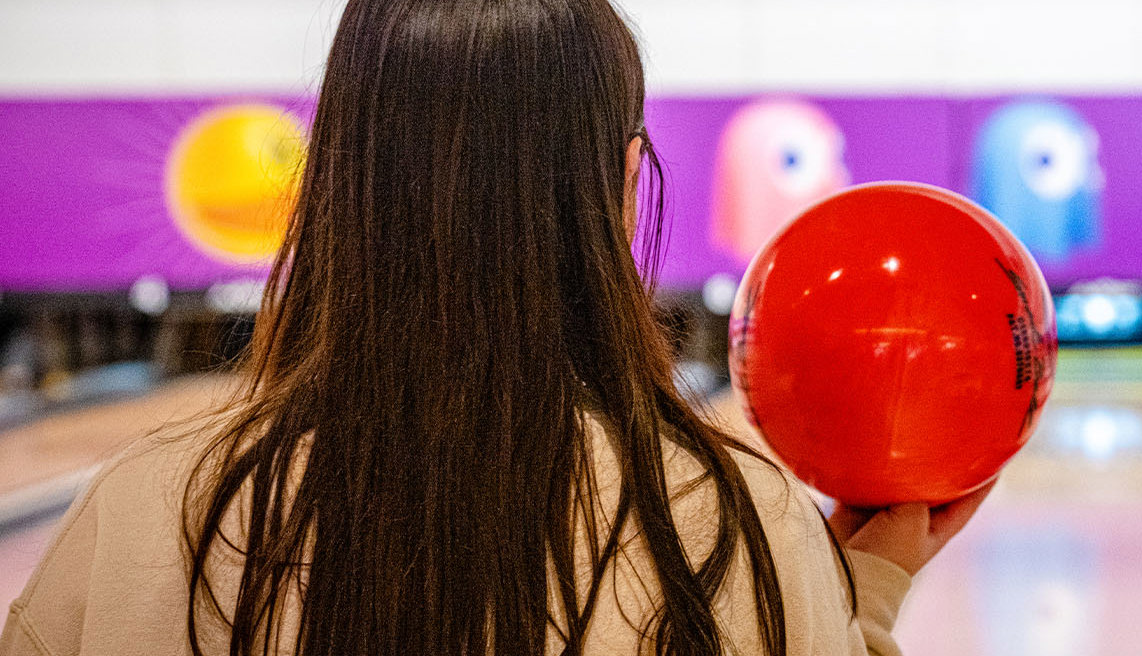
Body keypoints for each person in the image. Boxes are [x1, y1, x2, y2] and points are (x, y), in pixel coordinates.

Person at [0, 1, 990, 654]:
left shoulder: (147, 509)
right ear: (622, 181)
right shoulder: (737, 527)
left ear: (337, 170)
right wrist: (854, 601)